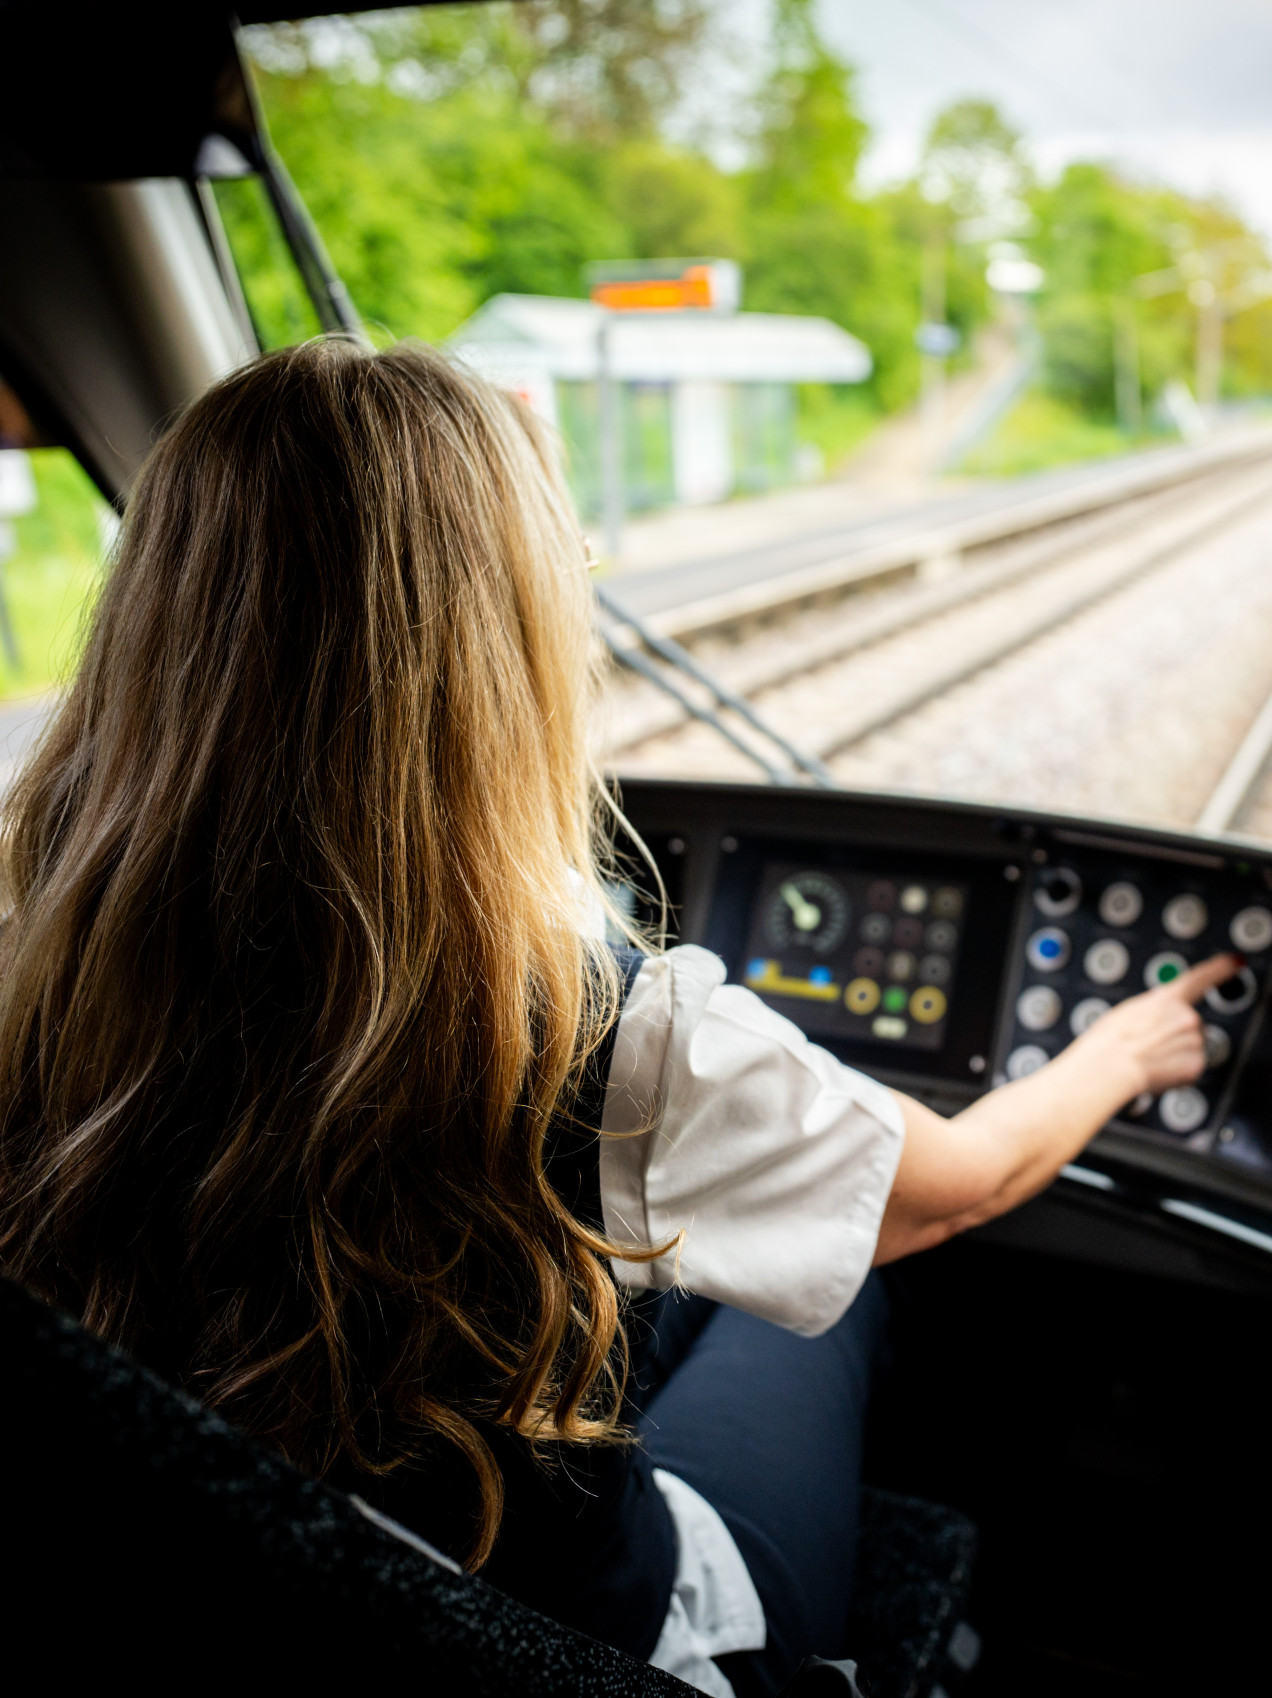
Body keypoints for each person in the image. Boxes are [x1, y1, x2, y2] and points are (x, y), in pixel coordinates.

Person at [0, 340, 1236, 1697]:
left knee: (685, 1265)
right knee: (831, 1287)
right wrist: (1123, 1051)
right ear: (505, 643)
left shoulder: (41, 967)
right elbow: (960, 1186)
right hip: (583, 1641)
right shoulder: (604, 1035)